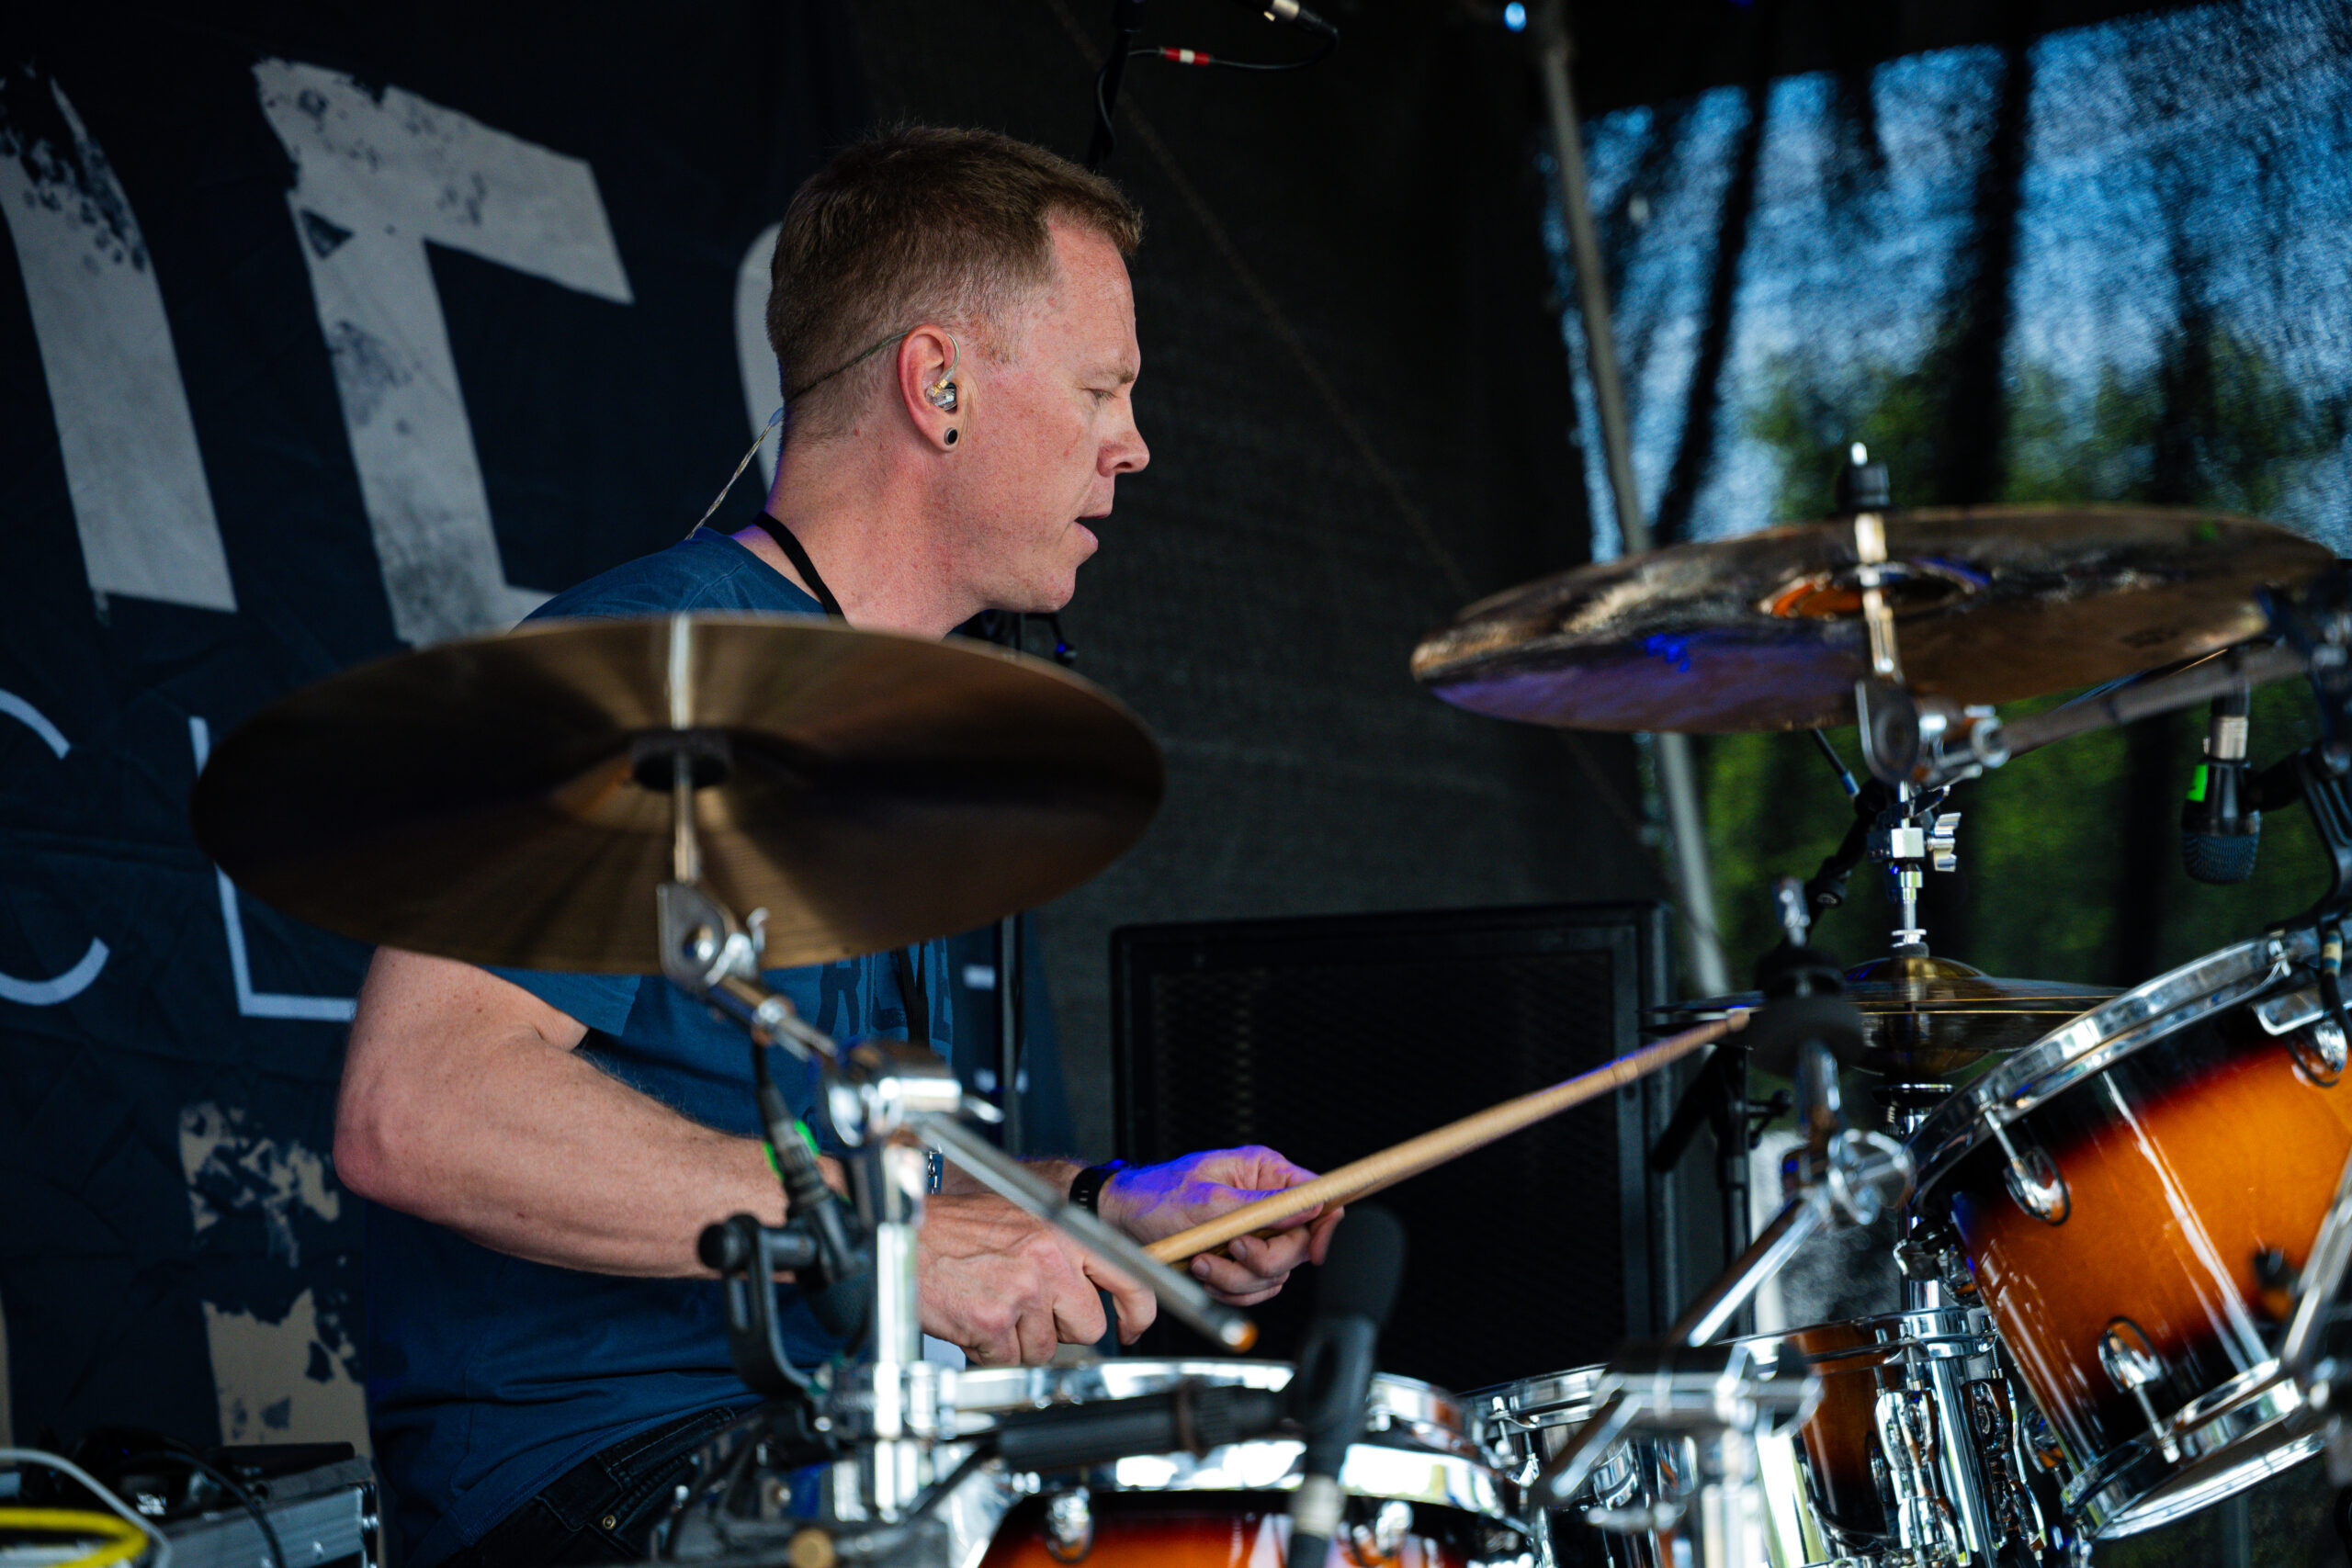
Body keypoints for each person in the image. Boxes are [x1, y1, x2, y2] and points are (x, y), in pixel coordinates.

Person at [333, 128, 1341, 1568]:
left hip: (815, 1453)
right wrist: (900, 1243)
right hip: (596, 1485)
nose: (1134, 443)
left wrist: (1108, 1205)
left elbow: (838, 1178)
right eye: (1102, 388)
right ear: (939, 387)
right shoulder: (647, 669)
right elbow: (417, 1103)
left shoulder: (880, 736)